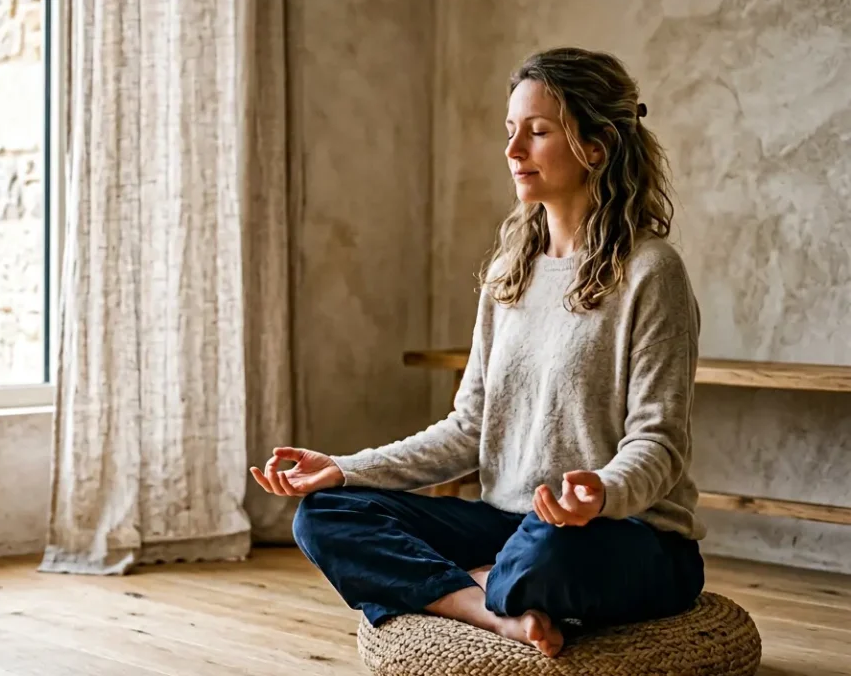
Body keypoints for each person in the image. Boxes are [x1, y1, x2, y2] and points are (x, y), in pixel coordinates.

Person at [249, 47, 705, 659]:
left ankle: (477, 582)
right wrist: (344, 468)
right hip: (508, 523)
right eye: (510, 130)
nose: (513, 150)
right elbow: (468, 429)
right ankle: (489, 607)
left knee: (545, 554)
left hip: (620, 533)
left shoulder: (651, 272)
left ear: (595, 147)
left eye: (537, 132)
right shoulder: (509, 273)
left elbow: (658, 443)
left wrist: (599, 492)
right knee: (324, 514)